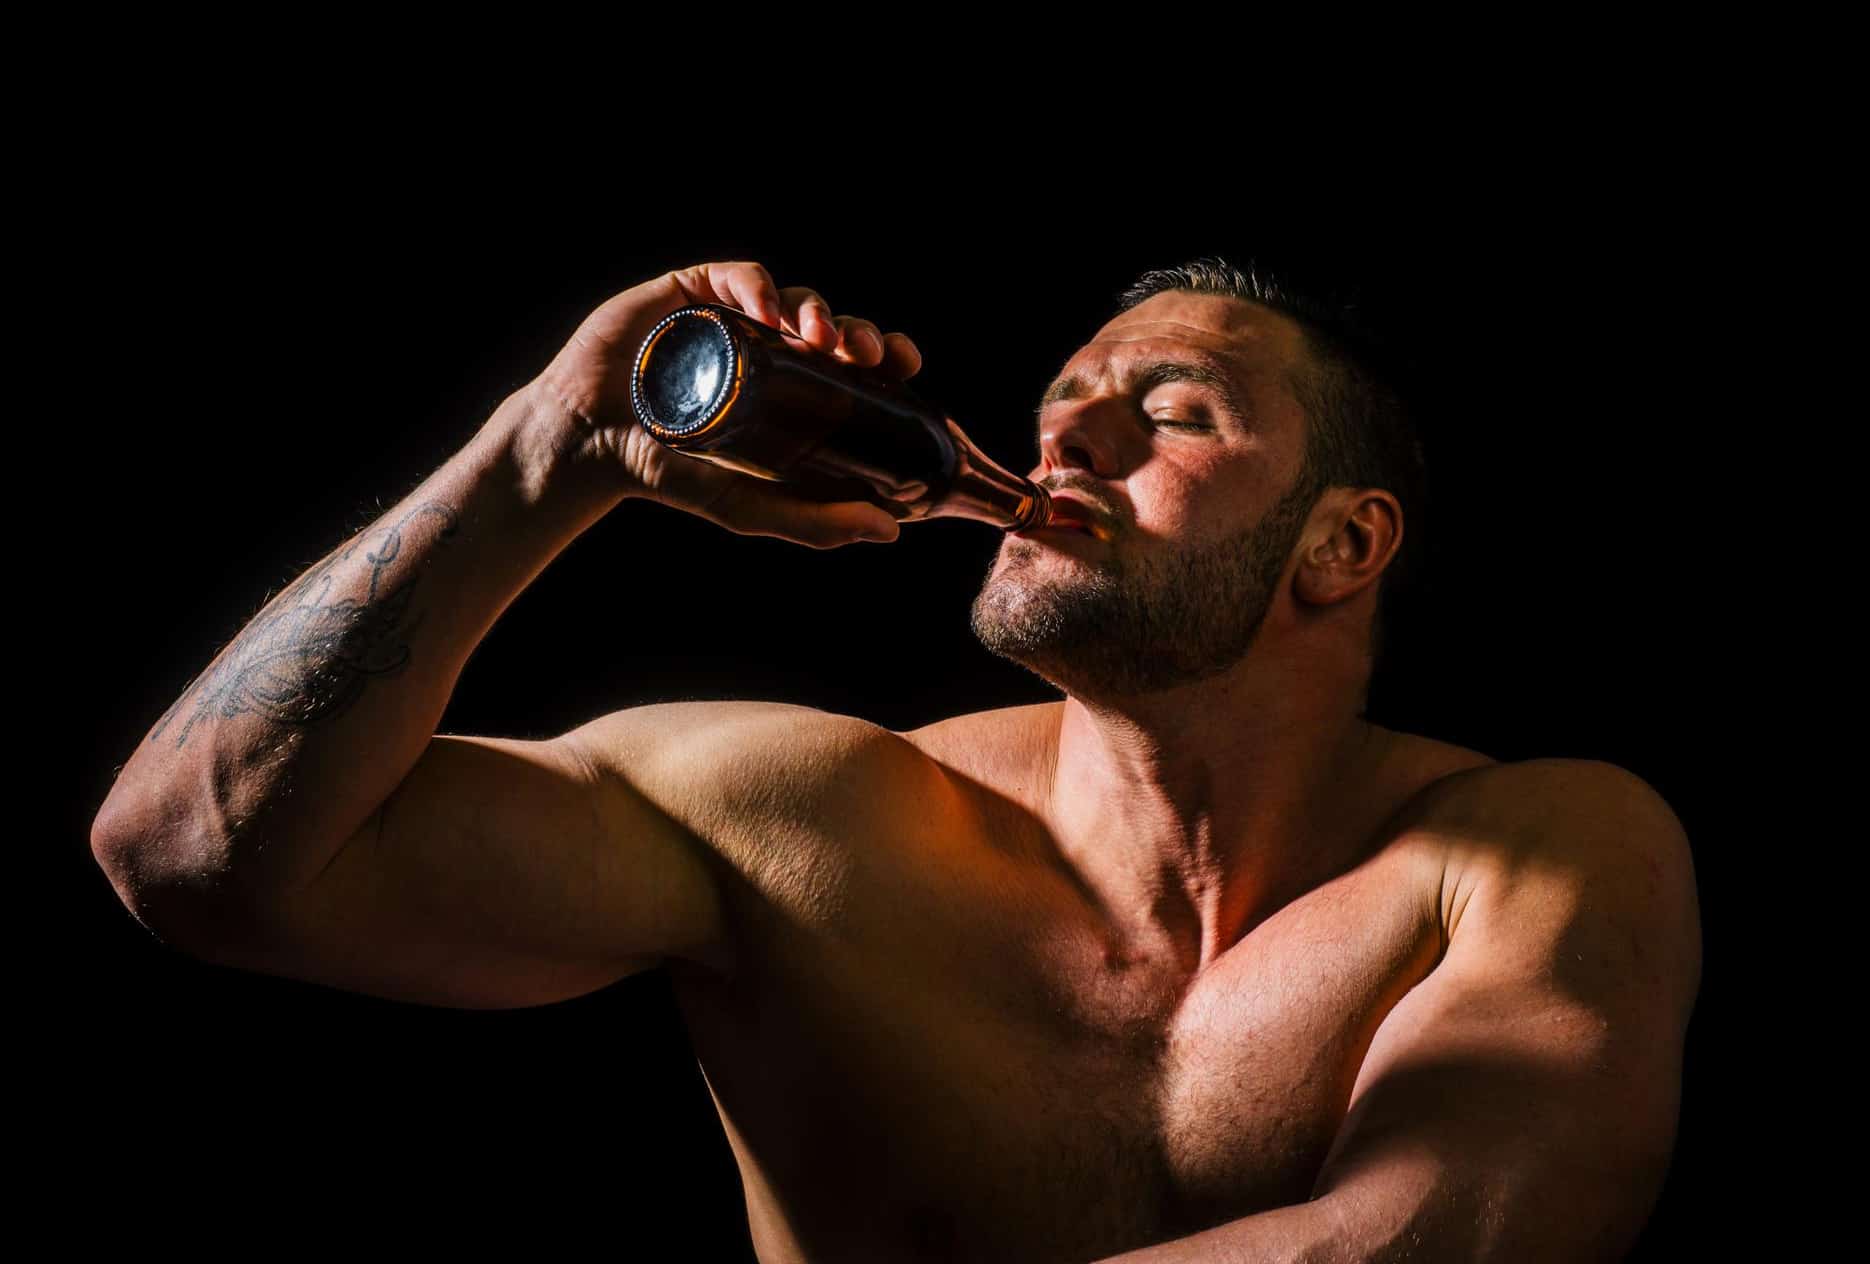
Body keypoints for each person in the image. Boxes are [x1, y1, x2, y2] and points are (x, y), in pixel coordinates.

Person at [89, 256, 1702, 1263]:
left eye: (1173, 411)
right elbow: (191, 855)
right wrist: (548, 447)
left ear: (1341, 545)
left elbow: (1425, 1244)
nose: (1067, 440)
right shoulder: (799, 817)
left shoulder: (1528, 851)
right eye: (1064, 403)